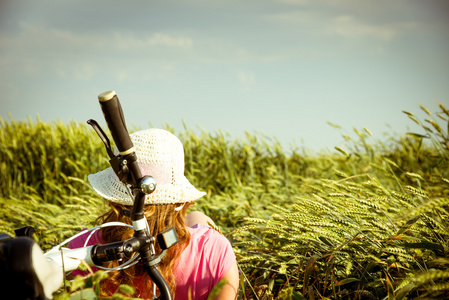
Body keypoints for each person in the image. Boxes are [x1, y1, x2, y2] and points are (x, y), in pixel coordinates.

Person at [68, 128, 239, 300]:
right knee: (198, 217)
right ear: (181, 203)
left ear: (114, 201)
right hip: (196, 245)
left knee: (196, 217)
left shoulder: (83, 247)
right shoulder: (216, 250)